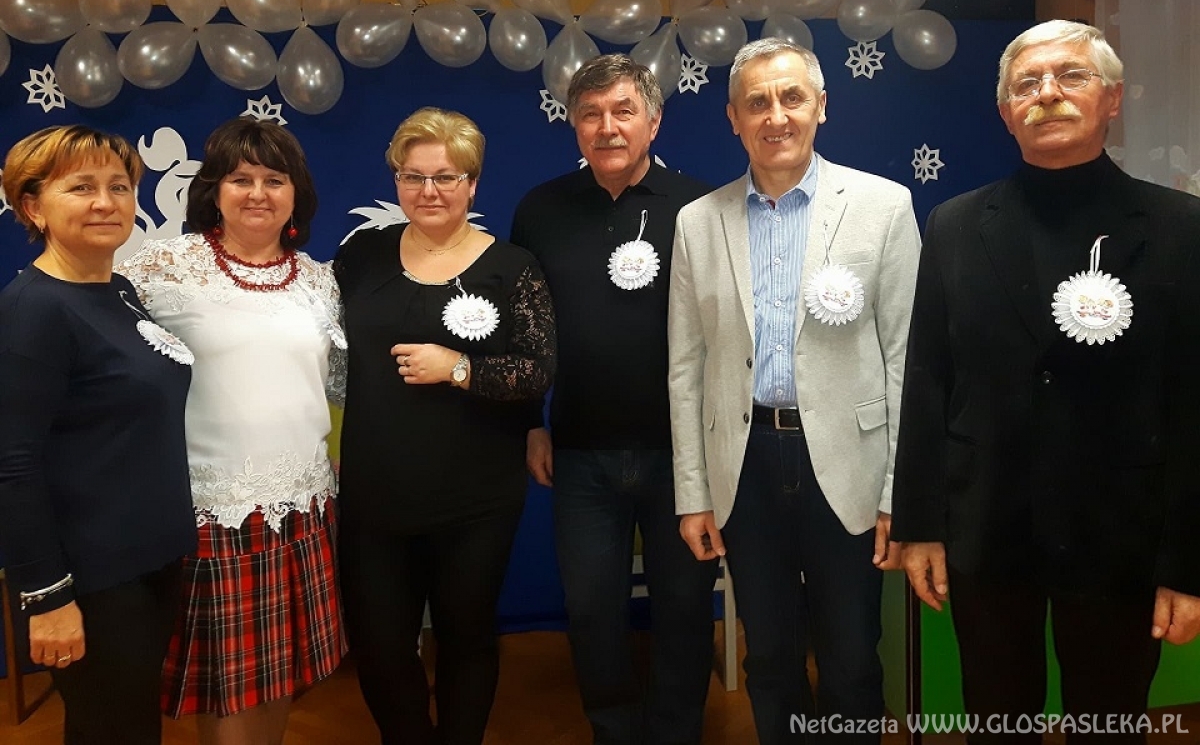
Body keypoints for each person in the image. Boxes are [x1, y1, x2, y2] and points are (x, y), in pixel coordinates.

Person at [892, 20, 1200, 742]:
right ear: (1005, 113)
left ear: (1112, 98)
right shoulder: (954, 226)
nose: (1047, 94)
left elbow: (1193, 404)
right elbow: (927, 381)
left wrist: (1188, 563)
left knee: (1109, 723)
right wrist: (919, 527)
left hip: (1123, 538)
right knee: (996, 720)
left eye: (1071, 77)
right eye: (1026, 84)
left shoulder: (1181, 228)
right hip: (988, 530)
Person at [669, 38, 921, 744]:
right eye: (757, 102)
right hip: (744, 467)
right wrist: (693, 493)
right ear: (733, 118)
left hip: (848, 464)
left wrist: (898, 492)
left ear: (821, 107)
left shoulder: (883, 207)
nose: (775, 116)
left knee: (851, 658)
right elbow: (685, 367)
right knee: (772, 658)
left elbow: (906, 359)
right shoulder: (698, 221)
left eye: (791, 98)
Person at [118, 117, 346, 745]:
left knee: (277, 681)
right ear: (213, 190)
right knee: (229, 690)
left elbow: (337, 387)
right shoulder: (164, 267)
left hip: (302, 507)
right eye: (241, 179)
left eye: (275, 180)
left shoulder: (320, 280)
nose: (258, 194)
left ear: (296, 194)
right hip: (211, 512)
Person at [511, 54, 717, 745]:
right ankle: (614, 732)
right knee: (592, 610)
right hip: (579, 452)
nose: (607, 128)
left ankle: (676, 734)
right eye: (591, 114)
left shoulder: (700, 208)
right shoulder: (540, 210)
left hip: (683, 457)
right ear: (574, 125)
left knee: (684, 609)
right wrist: (531, 423)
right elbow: (523, 332)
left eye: (623, 111)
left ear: (653, 122)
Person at [335, 107, 555, 745]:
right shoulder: (361, 255)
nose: (428, 190)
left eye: (446, 177)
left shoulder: (511, 267)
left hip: (475, 499)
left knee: (466, 637)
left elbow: (537, 370)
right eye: (413, 176)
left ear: (472, 184)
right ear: (397, 181)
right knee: (380, 646)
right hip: (376, 494)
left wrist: (459, 368)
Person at [0, 125, 196, 744]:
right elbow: (12, 465)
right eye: (81, 187)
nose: (105, 202)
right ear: (33, 206)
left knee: (131, 724)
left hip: (148, 559)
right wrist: (46, 597)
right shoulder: (33, 311)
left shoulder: (118, 290)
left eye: (118, 186)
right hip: (91, 574)